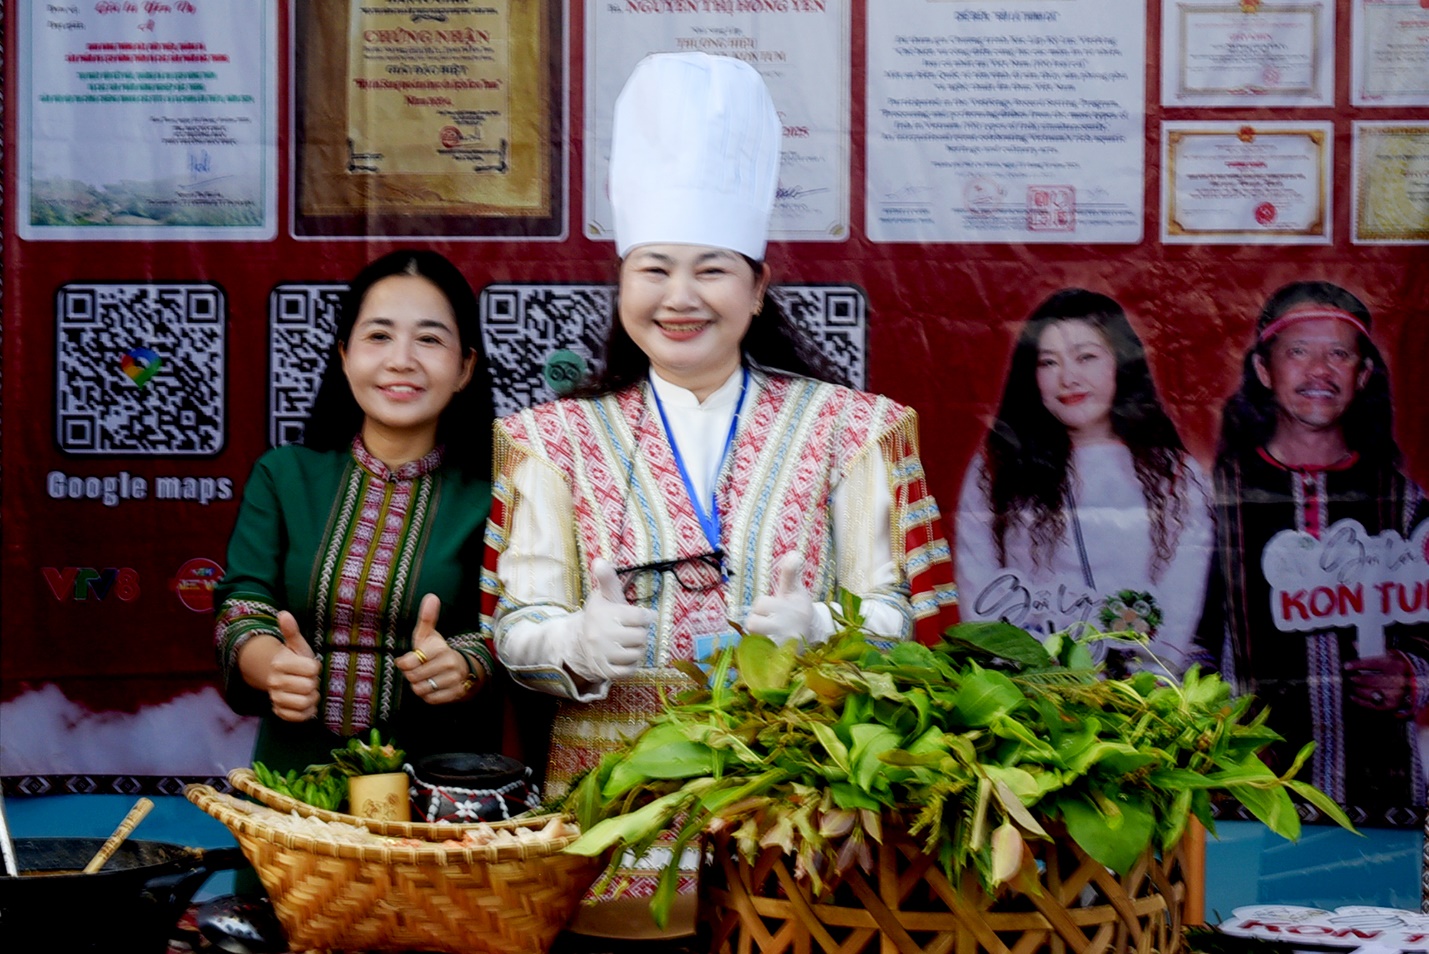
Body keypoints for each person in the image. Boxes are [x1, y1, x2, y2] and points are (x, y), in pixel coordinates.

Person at [481, 52, 956, 933]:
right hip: (614, 813)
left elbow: (907, 621)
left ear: (756, 288)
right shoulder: (553, 441)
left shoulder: (849, 432)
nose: (679, 296)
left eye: (711, 269)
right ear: (621, 284)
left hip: (801, 809)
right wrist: (575, 641)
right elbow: (513, 629)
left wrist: (825, 628)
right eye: (653, 269)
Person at [215, 249, 501, 777]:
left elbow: (517, 631)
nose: (401, 360)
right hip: (294, 787)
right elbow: (244, 606)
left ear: (465, 367)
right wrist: (273, 666)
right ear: (345, 356)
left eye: (431, 339)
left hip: (442, 792)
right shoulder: (285, 476)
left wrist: (465, 667)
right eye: (379, 336)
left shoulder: (501, 496)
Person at [1199, 280, 1428, 814]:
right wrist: (1215, 713)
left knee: (1379, 901)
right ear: (1264, 370)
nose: (1319, 372)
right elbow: (1186, 635)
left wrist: (1414, 676)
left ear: (1363, 374)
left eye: (1339, 354)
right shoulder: (1215, 498)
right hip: (1246, 794)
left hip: (1383, 798)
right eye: (1298, 352)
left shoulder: (1403, 502)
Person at [956, 289, 1213, 674]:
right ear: (1032, 375)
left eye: (1086, 357)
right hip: (1029, 694)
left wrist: (1143, 683)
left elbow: (1180, 600)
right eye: (1049, 362)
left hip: (1145, 699)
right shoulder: (995, 470)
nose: (1069, 378)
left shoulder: (1175, 475)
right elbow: (977, 587)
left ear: (1120, 363)